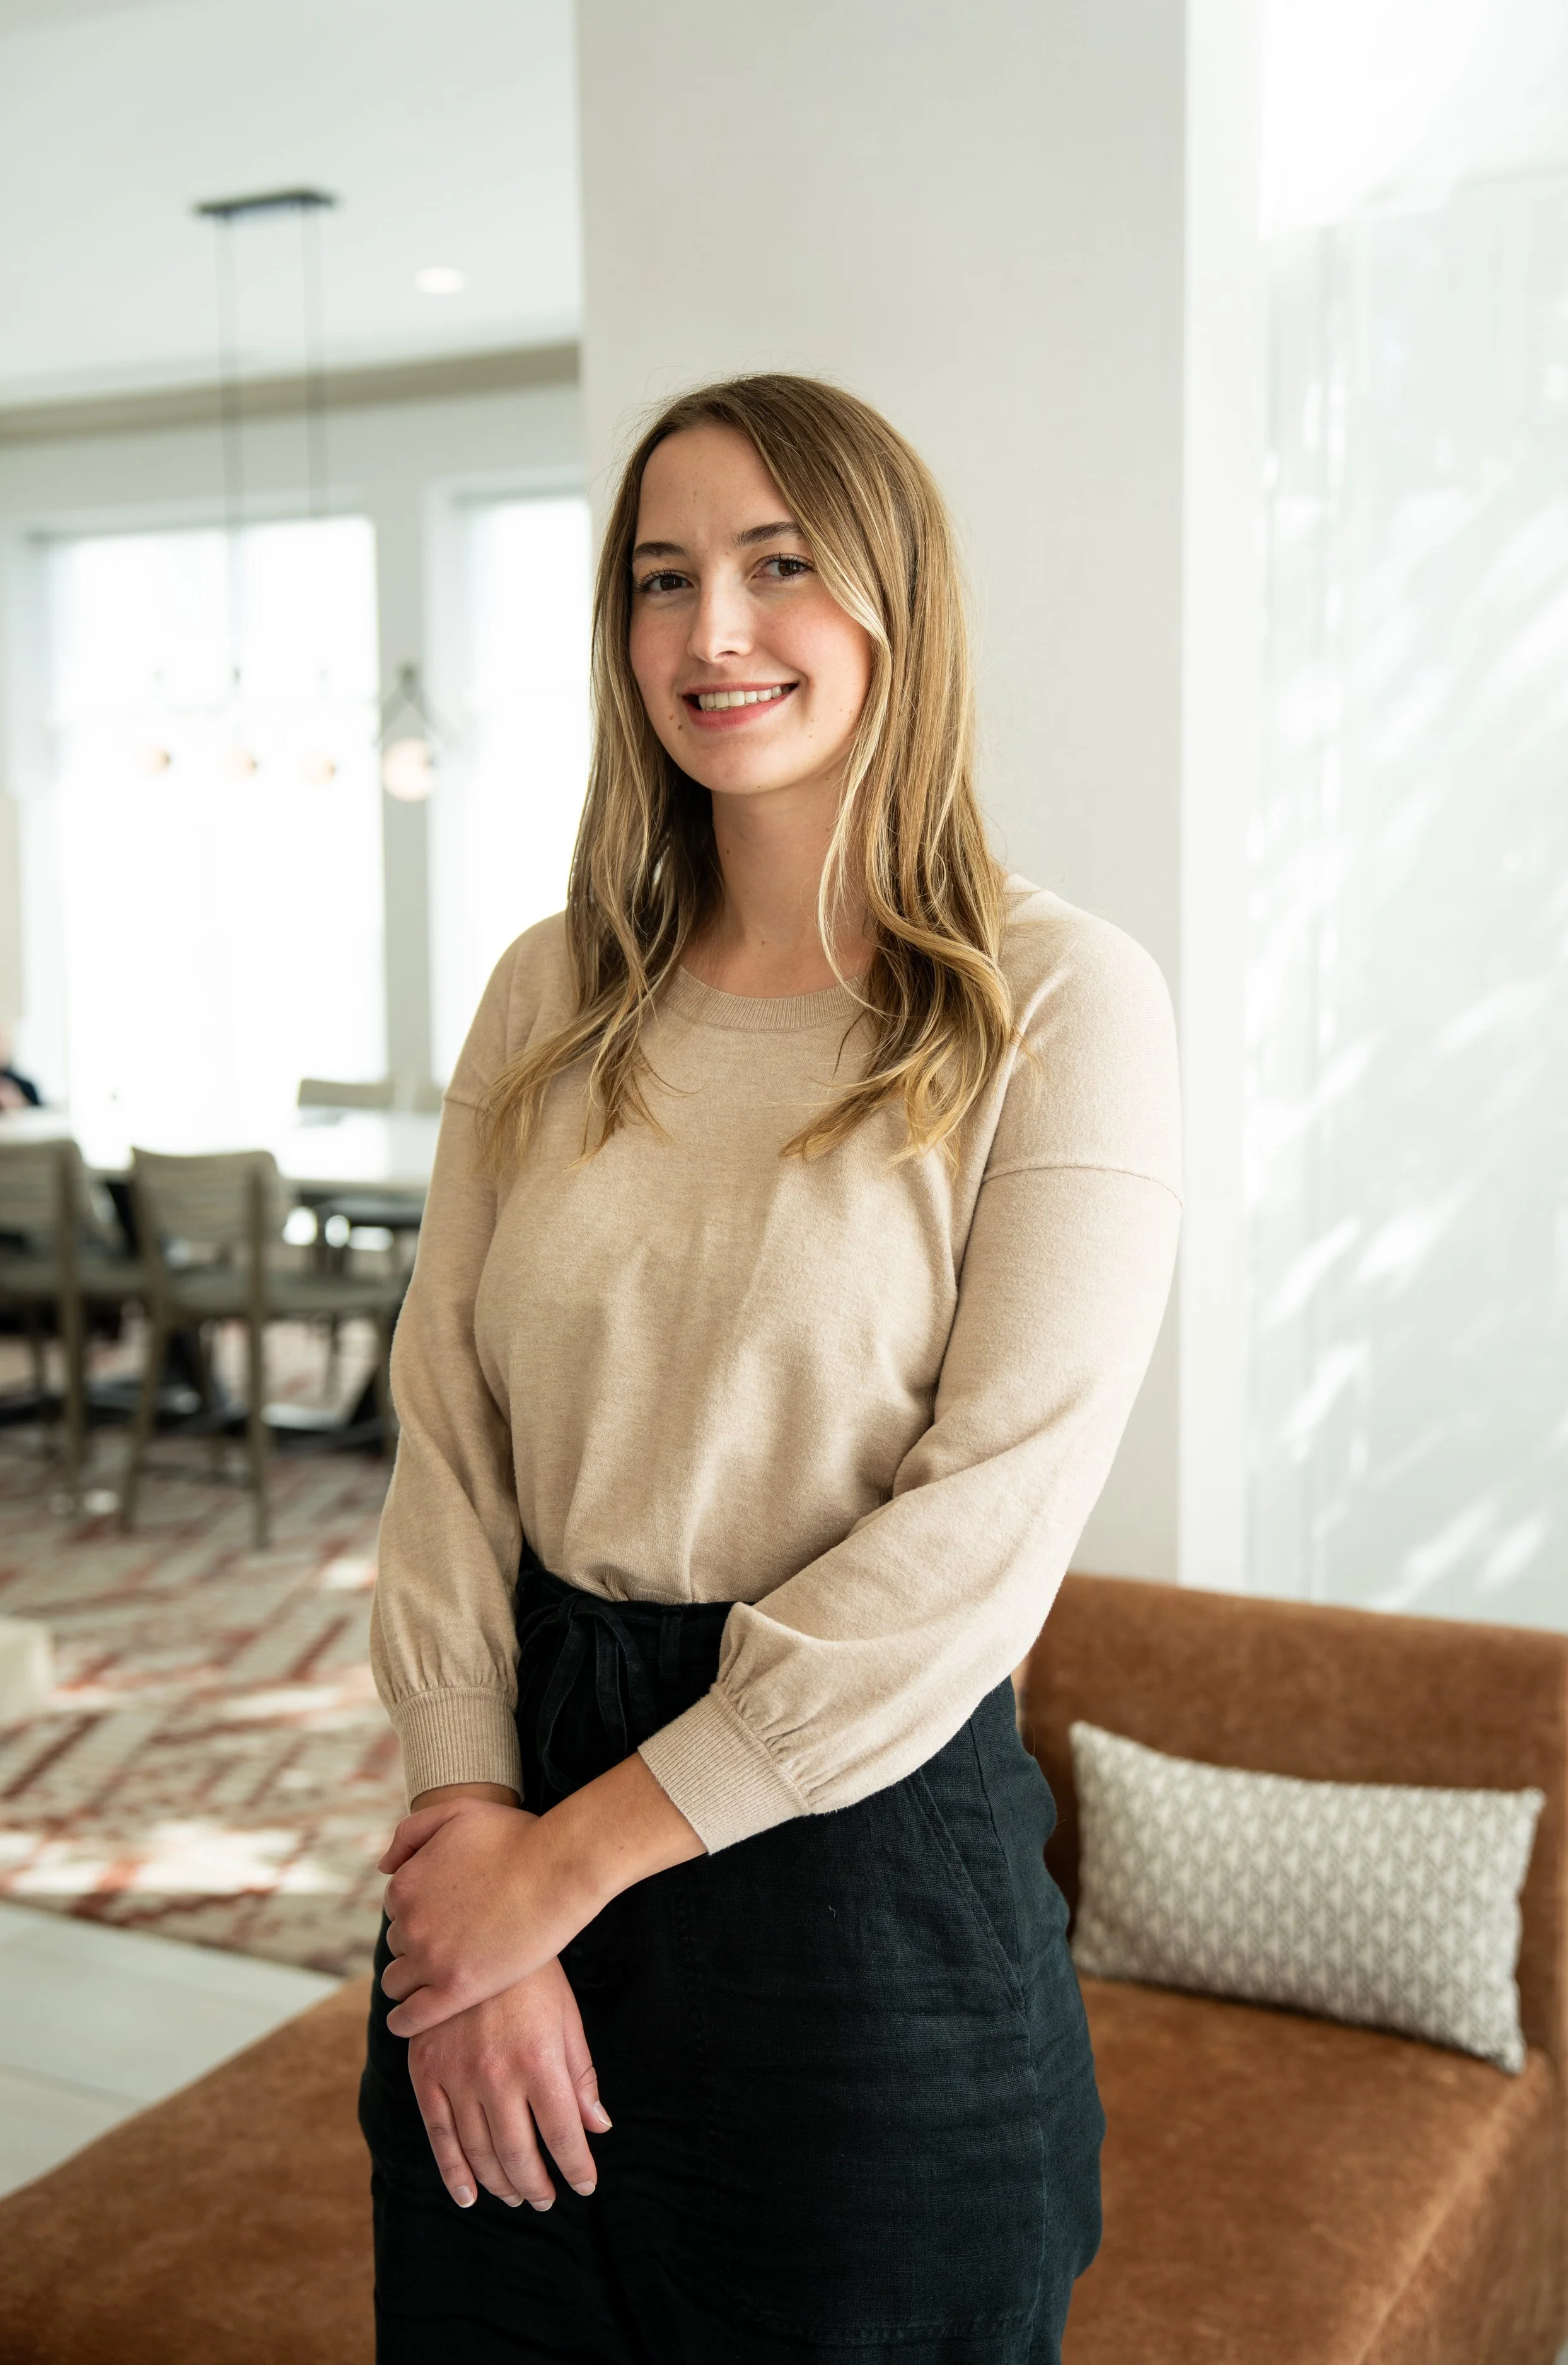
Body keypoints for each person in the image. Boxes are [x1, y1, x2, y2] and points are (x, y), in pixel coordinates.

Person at [360, 373, 1181, 2364]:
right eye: (661, 577)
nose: (709, 630)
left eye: (777, 563)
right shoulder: (550, 990)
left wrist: (553, 1870)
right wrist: (474, 1827)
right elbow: (446, 1435)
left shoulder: (1055, 1001)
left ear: (898, 599)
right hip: (515, 1791)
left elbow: (985, 1526)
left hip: (858, 1895)